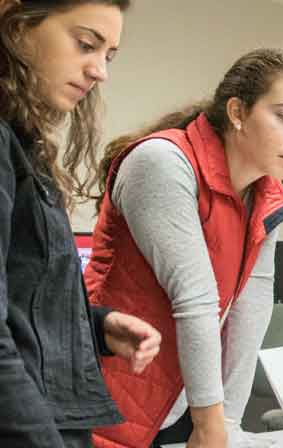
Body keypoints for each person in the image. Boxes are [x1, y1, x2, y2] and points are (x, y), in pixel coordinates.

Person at [84, 48, 283, 448]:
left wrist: (227, 420)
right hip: (107, 387)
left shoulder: (266, 196)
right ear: (237, 112)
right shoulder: (162, 161)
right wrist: (212, 427)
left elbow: (251, 309)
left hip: (178, 400)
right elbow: (195, 298)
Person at [0, 1, 162, 447]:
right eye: (85, 44)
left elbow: (17, 299)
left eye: (107, 55)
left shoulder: (19, 141)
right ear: (16, 19)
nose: (99, 72)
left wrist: (97, 326)